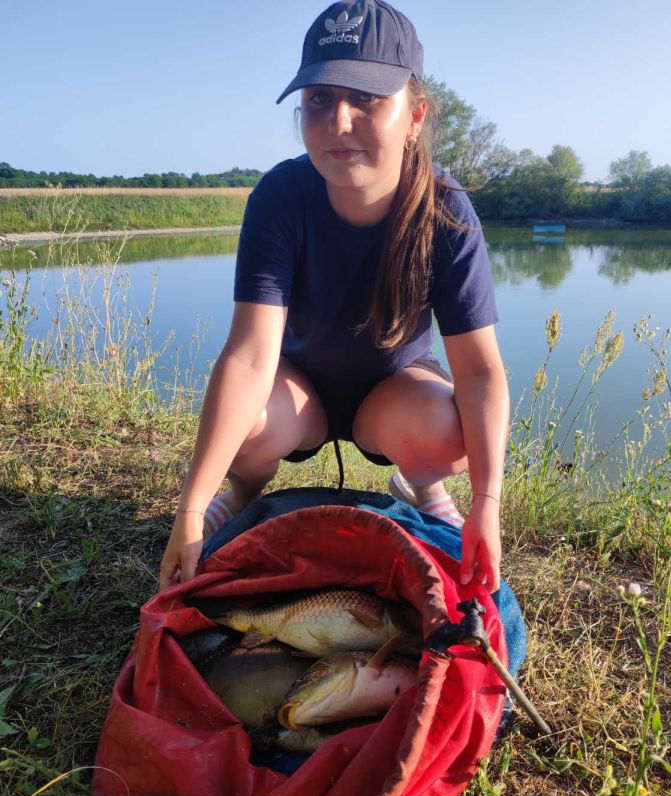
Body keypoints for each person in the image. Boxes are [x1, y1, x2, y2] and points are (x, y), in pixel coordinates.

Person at [159, 0, 509, 593]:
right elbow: (249, 356)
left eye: (366, 98)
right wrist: (191, 508)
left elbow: (480, 372)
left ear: (416, 116)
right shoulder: (280, 196)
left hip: (394, 394)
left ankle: (422, 488)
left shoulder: (446, 211)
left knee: (451, 434)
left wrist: (487, 502)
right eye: (319, 100)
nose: (337, 120)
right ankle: (243, 492)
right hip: (299, 392)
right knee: (244, 415)